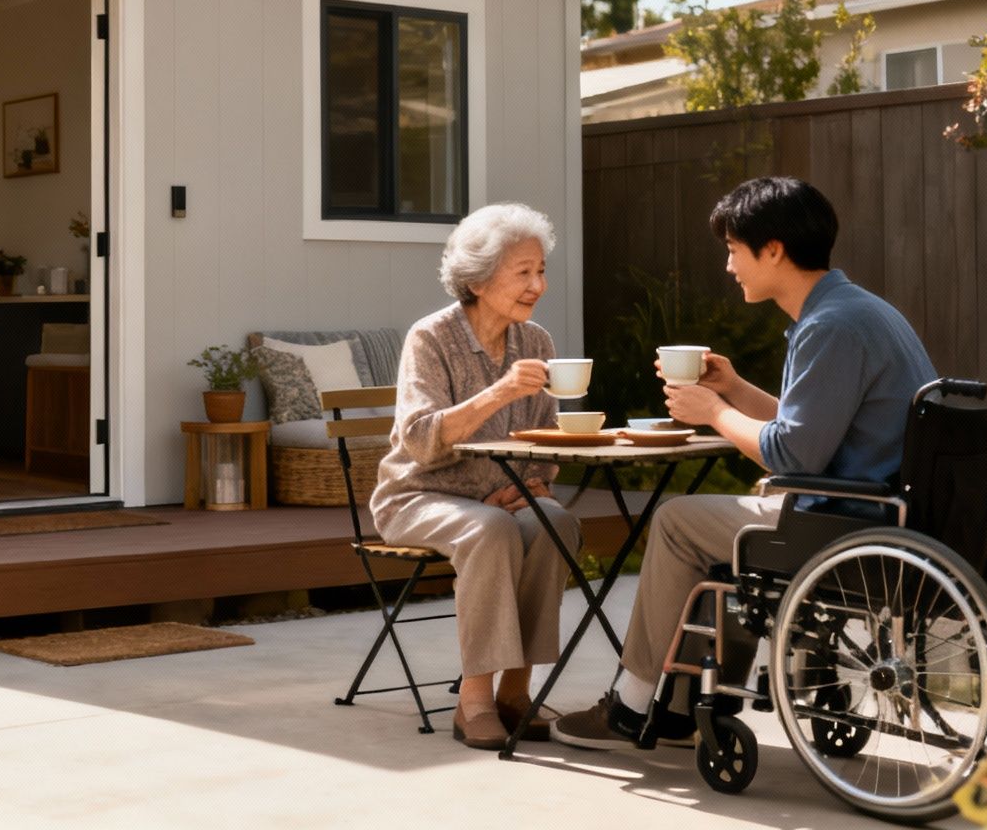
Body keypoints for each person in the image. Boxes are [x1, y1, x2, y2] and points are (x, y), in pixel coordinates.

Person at [552, 175, 936, 750]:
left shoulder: (828, 326)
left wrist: (711, 411)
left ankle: (634, 706)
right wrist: (733, 388)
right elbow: (815, 426)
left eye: (734, 250)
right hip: (883, 513)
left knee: (678, 521)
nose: (730, 267)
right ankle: (689, 705)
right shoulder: (860, 311)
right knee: (708, 529)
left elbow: (791, 451)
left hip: (845, 526)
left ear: (774, 249)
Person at [372, 202, 581, 750]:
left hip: (500, 498)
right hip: (419, 496)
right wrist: (501, 391)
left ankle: (517, 691)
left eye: (541, 270)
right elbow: (418, 439)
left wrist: (536, 482)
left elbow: (544, 433)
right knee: (491, 530)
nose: (537, 284)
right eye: (523, 272)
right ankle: (475, 700)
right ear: (480, 279)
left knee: (554, 522)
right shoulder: (431, 338)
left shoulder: (535, 342)